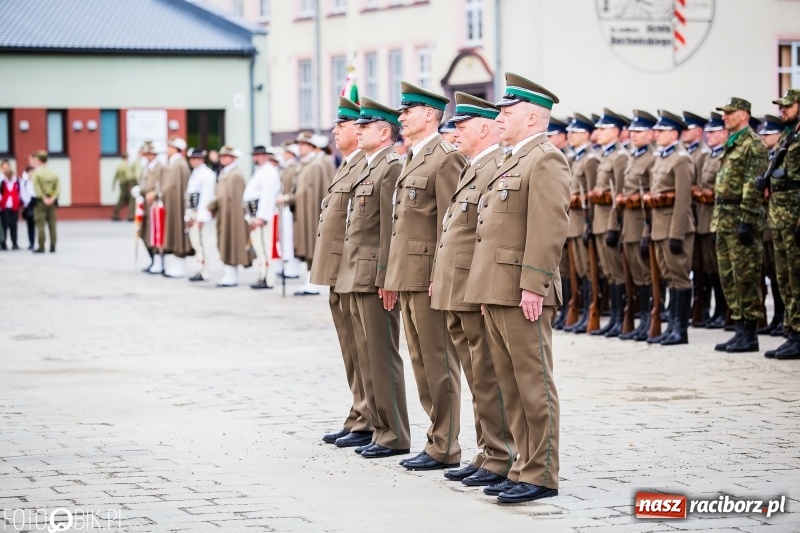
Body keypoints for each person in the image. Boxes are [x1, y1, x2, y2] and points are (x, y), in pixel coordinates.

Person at [464, 72, 570, 504]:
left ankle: (542, 473)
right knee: (509, 383)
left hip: (521, 290)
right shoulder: (513, 159)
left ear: (531, 116)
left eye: (507, 111)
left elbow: (549, 228)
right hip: (496, 286)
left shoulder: (545, 159)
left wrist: (534, 286)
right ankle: (522, 465)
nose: (500, 117)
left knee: (533, 383)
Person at [430, 92, 514, 487]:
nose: (455, 133)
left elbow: (489, 235)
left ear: (484, 128)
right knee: (475, 371)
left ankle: (500, 453)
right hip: (457, 285)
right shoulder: (471, 168)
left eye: (461, 126)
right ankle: (486, 451)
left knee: (486, 372)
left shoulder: (495, 166)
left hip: (473, 286)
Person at [383, 81, 467, 470]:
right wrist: (394, 275)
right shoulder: (414, 156)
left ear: (431, 115)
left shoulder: (444, 157)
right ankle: (437, 436)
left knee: (438, 360)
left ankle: (446, 444)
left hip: (430, 275)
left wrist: (441, 274)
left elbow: (451, 224)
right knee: (421, 361)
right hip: (409, 274)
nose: (401, 117)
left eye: (408, 111)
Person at [334, 97, 410, 459]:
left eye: (364, 126)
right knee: (365, 354)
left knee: (381, 354)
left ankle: (393, 431)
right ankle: (377, 425)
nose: (355, 130)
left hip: (373, 274)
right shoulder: (369, 166)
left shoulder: (390, 166)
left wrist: (386, 276)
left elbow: (388, 229)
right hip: (356, 272)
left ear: (384, 133)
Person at [310, 97, 372, 448]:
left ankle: (367, 416)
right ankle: (359, 412)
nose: (336, 130)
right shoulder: (349, 165)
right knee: (351, 348)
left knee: (364, 348)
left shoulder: (367, 164)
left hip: (355, 269)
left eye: (345, 125)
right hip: (339, 268)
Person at [712, 98, 769, 353]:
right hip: (723, 217)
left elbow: (752, 184)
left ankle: (750, 333)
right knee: (728, 275)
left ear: (744, 115)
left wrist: (747, 220)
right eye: (723, 113)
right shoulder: (732, 142)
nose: (724, 117)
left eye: (729, 113)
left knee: (746, 275)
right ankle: (738, 328)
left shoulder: (753, 145)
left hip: (740, 217)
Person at [645, 111, 696, 346]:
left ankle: (681, 330)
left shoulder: (681, 159)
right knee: (668, 277)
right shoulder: (662, 157)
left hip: (676, 229)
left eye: (661, 131)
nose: (656, 134)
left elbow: (683, 200)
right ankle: (672, 327)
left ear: (674, 133)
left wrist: (677, 234)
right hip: (659, 228)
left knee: (680, 278)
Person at [763, 89, 800, 359]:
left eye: (788, 106)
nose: (782, 110)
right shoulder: (789, 136)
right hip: (779, 215)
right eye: (782, 106)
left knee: (797, 276)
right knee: (785, 276)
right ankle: (791, 331)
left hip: (794, 214)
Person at [616, 110, 658, 341]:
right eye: (632, 130)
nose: (633, 134)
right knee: (637, 275)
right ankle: (643, 320)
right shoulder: (633, 156)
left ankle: (652, 319)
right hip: (628, 224)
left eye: (639, 131)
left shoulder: (652, 159)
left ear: (651, 134)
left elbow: (650, 199)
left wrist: (647, 231)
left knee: (647, 275)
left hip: (642, 224)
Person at [589, 109, 631, 337]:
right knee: (609, 273)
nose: (598, 133)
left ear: (615, 131)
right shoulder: (606, 156)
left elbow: (620, 196)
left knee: (618, 272)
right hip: (599, 222)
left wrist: (614, 226)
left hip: (610, 223)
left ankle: (622, 317)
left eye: (603, 129)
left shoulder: (620, 157)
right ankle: (614, 318)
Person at [563, 114, 600, 334]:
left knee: (589, 271)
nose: (570, 135)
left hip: (586, 223)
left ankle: (592, 313)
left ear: (586, 134)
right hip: (574, 223)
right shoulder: (574, 158)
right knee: (580, 271)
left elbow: (593, 197)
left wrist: (591, 225)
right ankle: (585, 313)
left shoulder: (590, 159)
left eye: (575, 132)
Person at [692, 113, 729, 329]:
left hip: (717, 217)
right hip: (704, 219)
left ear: (724, 134)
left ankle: (724, 311)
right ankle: (717, 311)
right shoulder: (709, 157)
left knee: (719, 267)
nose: (709, 135)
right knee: (709, 268)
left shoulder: (722, 156)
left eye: (714, 132)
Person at [290, 132, 333, 295]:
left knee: (312, 245)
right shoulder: (304, 165)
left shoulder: (316, 165)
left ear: (312, 147)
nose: (300, 148)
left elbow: (311, 193)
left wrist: (290, 198)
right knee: (306, 245)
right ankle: (309, 278)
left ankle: (313, 281)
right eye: (299, 144)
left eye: (303, 145)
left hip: (312, 212)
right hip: (303, 211)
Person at [207, 146, 252, 287]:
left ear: (233, 158)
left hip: (232, 214)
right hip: (224, 212)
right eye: (221, 156)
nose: (222, 158)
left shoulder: (235, 174)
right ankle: (229, 273)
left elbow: (230, 197)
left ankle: (232, 274)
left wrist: (213, 204)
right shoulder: (226, 173)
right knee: (224, 241)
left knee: (231, 241)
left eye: (226, 156)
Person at [757, 115, 785, 336]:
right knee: (770, 270)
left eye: (768, 133)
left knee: (780, 270)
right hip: (766, 221)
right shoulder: (768, 157)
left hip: (777, 218)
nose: (764, 137)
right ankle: (777, 315)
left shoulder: (782, 157)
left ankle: (783, 316)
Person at [244, 146, 282, 290]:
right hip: (254, 214)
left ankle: (268, 278)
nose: (256, 158)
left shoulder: (269, 172)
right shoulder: (261, 171)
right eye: (254, 155)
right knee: (260, 248)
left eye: (259, 155)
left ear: (266, 156)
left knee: (265, 248)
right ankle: (263, 275)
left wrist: (261, 217)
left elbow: (267, 196)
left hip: (262, 216)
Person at [162, 137, 194, 278]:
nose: (167, 149)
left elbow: (170, 186)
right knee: (175, 232)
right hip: (174, 203)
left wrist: (158, 193)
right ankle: (177, 263)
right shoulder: (177, 163)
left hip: (177, 205)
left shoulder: (178, 164)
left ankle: (180, 265)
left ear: (176, 149)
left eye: (170, 147)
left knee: (178, 232)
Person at [184, 148, 216, 282]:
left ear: (202, 159)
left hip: (201, 213)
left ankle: (204, 270)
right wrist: (189, 216)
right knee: (196, 243)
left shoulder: (207, 174)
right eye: (191, 158)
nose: (193, 161)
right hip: (193, 212)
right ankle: (199, 268)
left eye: (196, 158)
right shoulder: (195, 173)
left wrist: (201, 217)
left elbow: (206, 198)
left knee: (204, 243)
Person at [275, 142, 301, 279]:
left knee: (292, 237)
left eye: (285, 152)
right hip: (284, 206)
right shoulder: (286, 168)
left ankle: (293, 268)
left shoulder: (294, 168)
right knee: (286, 237)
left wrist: (286, 197)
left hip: (290, 206)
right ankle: (289, 267)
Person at [140, 141, 165, 273]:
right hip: (145, 204)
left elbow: (163, 184)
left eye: (150, 154)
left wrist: (155, 194)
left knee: (155, 232)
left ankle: (159, 260)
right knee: (144, 233)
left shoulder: (160, 167)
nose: (148, 156)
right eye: (146, 154)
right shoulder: (146, 167)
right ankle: (153, 259)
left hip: (155, 204)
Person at [29, 150, 60, 254]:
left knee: (40, 225)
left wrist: (43, 198)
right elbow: (58, 187)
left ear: (39, 160)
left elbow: (37, 188)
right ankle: (53, 246)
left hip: (41, 203)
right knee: (52, 225)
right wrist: (52, 197)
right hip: (52, 202)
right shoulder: (53, 173)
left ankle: (41, 246)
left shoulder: (37, 174)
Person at [1, 160, 22, 250]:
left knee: (14, 225)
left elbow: (20, 192)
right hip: (5, 206)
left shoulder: (17, 181)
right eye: (4, 168)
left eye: (7, 168)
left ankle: (14, 243)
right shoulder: (2, 182)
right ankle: (3, 243)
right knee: (5, 225)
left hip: (14, 206)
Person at [111, 153, 136, 221]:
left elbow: (115, 175)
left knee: (123, 199)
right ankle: (129, 215)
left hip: (121, 184)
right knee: (128, 199)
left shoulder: (119, 165)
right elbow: (128, 175)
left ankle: (116, 214)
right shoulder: (125, 165)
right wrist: (134, 179)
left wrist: (113, 185)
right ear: (126, 157)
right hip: (126, 184)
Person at [19, 166, 36, 250]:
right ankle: (31, 243)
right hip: (28, 205)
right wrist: (29, 201)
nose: (31, 174)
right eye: (30, 172)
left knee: (38, 225)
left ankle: (38, 242)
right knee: (30, 225)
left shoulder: (36, 182)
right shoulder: (24, 182)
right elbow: (23, 193)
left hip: (36, 204)